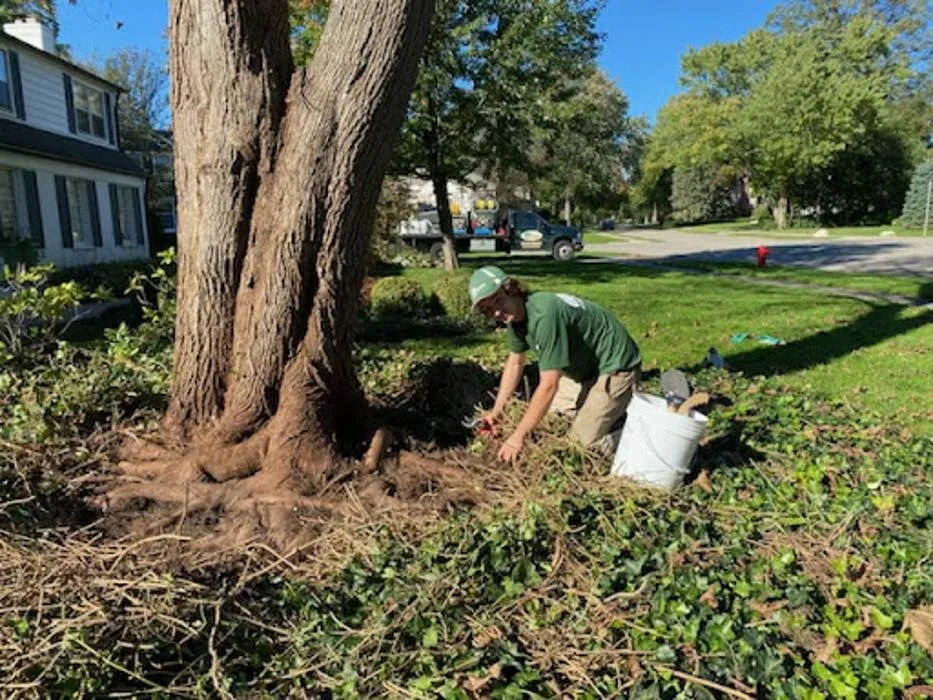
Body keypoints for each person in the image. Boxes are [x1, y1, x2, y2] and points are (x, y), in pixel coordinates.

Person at [468, 265, 642, 463]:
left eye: (498, 301)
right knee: (551, 425)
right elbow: (515, 363)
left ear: (512, 290)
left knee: (578, 448)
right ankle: (606, 413)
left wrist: (517, 437)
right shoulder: (517, 319)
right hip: (583, 370)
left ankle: (638, 430)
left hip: (615, 365)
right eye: (489, 309)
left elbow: (549, 385)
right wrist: (497, 412)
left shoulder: (543, 315)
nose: (497, 312)